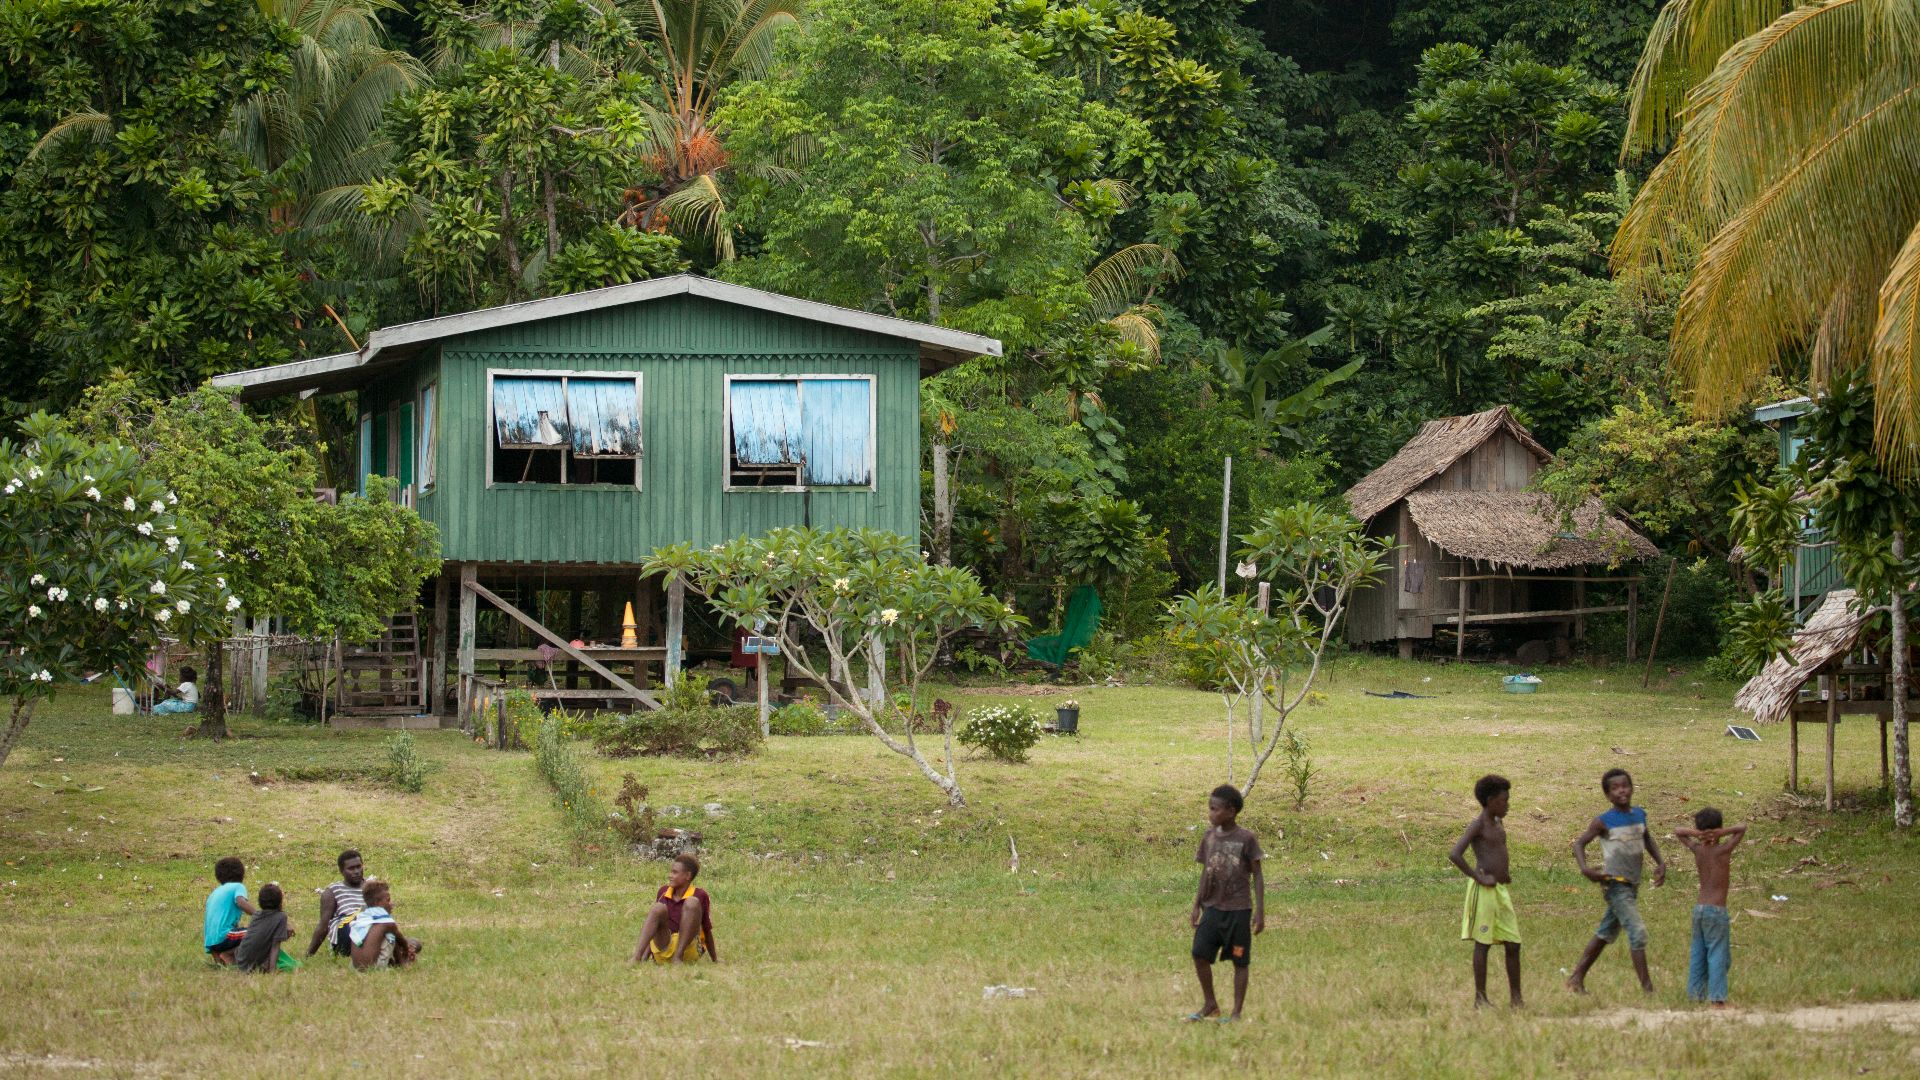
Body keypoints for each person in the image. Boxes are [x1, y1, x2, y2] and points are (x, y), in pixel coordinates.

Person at [1567, 768, 1666, 995]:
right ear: (1608, 795)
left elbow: (1647, 838)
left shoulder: (1639, 814)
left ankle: (1576, 978)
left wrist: (1660, 862)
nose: (1622, 790)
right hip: (1615, 885)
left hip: (1632, 885)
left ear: (1632, 788)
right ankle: (1648, 990)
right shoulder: (1603, 821)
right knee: (1637, 931)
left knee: (1605, 933)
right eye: (1615, 788)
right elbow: (1579, 844)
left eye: (1625, 785)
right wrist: (1585, 869)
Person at [1185, 784, 1264, 1023]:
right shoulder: (1208, 837)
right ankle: (1210, 1004)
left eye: (1214, 809)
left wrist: (1259, 912)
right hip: (1212, 909)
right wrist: (1197, 904)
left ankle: (1237, 1012)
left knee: (1240, 959)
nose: (1210, 814)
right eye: (1209, 809)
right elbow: (1205, 872)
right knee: (1199, 953)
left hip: (1238, 911)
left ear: (1231, 811)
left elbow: (1258, 875)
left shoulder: (1246, 838)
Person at [1449, 773, 1521, 1007]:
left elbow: (1499, 851)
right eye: (1504, 801)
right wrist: (1478, 877)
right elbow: (1455, 854)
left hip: (1500, 889)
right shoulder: (1478, 825)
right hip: (1484, 891)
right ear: (1490, 801)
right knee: (1483, 943)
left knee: (1513, 942)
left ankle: (1516, 998)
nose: (1508, 805)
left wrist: (1504, 874)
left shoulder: (1499, 823)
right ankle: (1480, 998)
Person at [1673, 808, 1747, 1007]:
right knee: (1717, 955)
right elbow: (1742, 828)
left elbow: (1678, 831)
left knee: (1698, 954)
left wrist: (1697, 835)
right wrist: (1723, 832)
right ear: (1719, 829)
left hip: (1699, 911)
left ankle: (1695, 996)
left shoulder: (1698, 850)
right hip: (1716, 911)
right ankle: (1718, 999)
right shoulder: (1723, 850)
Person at [632, 854, 718, 964]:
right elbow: (654, 926)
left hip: (688, 951)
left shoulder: (700, 895)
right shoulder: (663, 891)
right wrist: (645, 957)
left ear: (687, 875)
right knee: (658, 908)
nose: (670, 876)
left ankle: (678, 956)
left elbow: (706, 929)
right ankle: (636, 958)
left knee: (692, 902)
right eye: (671, 872)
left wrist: (715, 959)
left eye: (675, 872)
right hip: (664, 948)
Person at [348, 881, 421, 971]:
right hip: (373, 967)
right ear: (378, 902)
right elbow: (401, 940)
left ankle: (392, 961)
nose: (391, 903)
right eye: (388, 900)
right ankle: (401, 963)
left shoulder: (362, 918)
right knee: (392, 935)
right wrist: (407, 950)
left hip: (354, 967)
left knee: (384, 935)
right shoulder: (386, 922)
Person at [308, 850, 367, 957]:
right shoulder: (332, 891)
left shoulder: (372, 887)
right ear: (341, 871)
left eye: (359, 867)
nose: (357, 871)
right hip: (346, 930)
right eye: (351, 868)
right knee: (353, 924)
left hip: (369, 926)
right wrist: (309, 954)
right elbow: (323, 925)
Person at [203, 856, 261, 965]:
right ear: (241, 873)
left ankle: (223, 958)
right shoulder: (237, 886)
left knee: (228, 965)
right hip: (224, 936)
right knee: (261, 931)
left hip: (211, 942)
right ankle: (229, 954)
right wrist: (260, 915)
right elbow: (240, 901)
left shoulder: (214, 893)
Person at [234, 883, 295, 973]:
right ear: (280, 902)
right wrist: (272, 970)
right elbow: (275, 946)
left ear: (260, 902)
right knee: (292, 965)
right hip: (254, 965)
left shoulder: (256, 915)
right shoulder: (281, 917)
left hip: (241, 961)